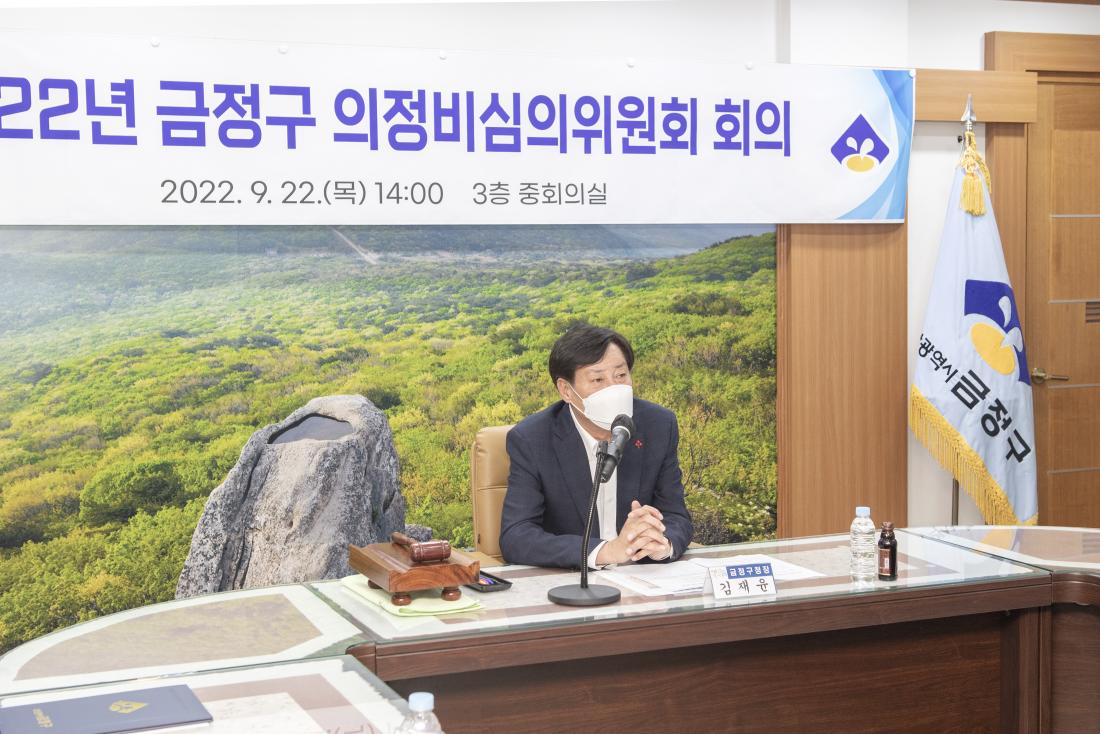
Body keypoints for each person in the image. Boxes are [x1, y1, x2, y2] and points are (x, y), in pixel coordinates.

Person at [499, 324, 693, 569]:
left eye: (621, 376)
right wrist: (604, 551)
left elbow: (676, 516)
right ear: (566, 391)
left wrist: (663, 544)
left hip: (643, 575)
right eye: (598, 379)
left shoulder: (658, 425)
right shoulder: (532, 439)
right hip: (574, 577)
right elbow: (517, 536)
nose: (613, 389)